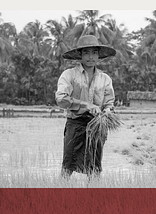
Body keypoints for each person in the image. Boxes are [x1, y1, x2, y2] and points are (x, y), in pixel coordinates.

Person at [55, 35, 116, 180]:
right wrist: (86, 105)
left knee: (94, 167)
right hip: (75, 124)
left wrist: (106, 111)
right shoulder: (69, 75)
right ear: (80, 55)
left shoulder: (105, 79)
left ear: (98, 55)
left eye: (94, 52)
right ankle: (59, 196)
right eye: (86, 52)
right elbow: (61, 99)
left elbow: (109, 103)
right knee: (68, 164)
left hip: (97, 125)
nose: (91, 57)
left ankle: (92, 199)